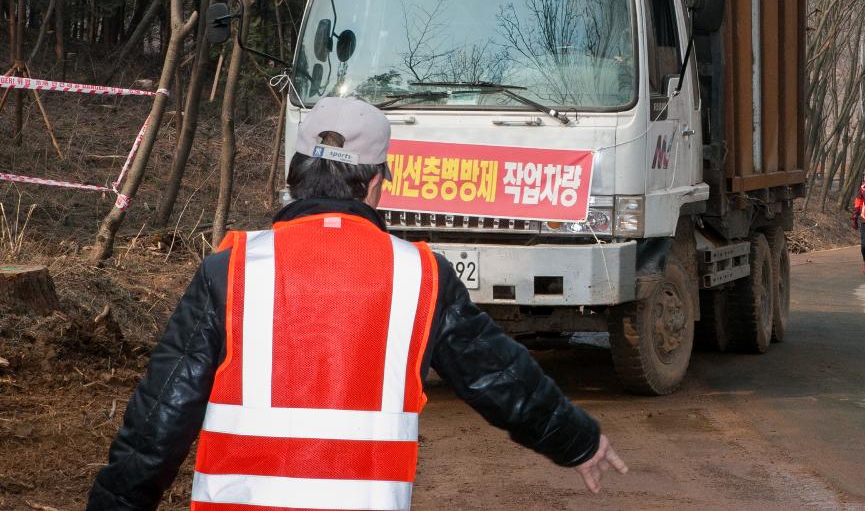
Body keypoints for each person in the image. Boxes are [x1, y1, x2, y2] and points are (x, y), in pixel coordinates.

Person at [88, 97, 625, 510]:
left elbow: (160, 416)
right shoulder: (421, 276)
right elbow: (499, 378)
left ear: (294, 175)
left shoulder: (230, 270)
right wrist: (577, 440)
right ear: (376, 184)